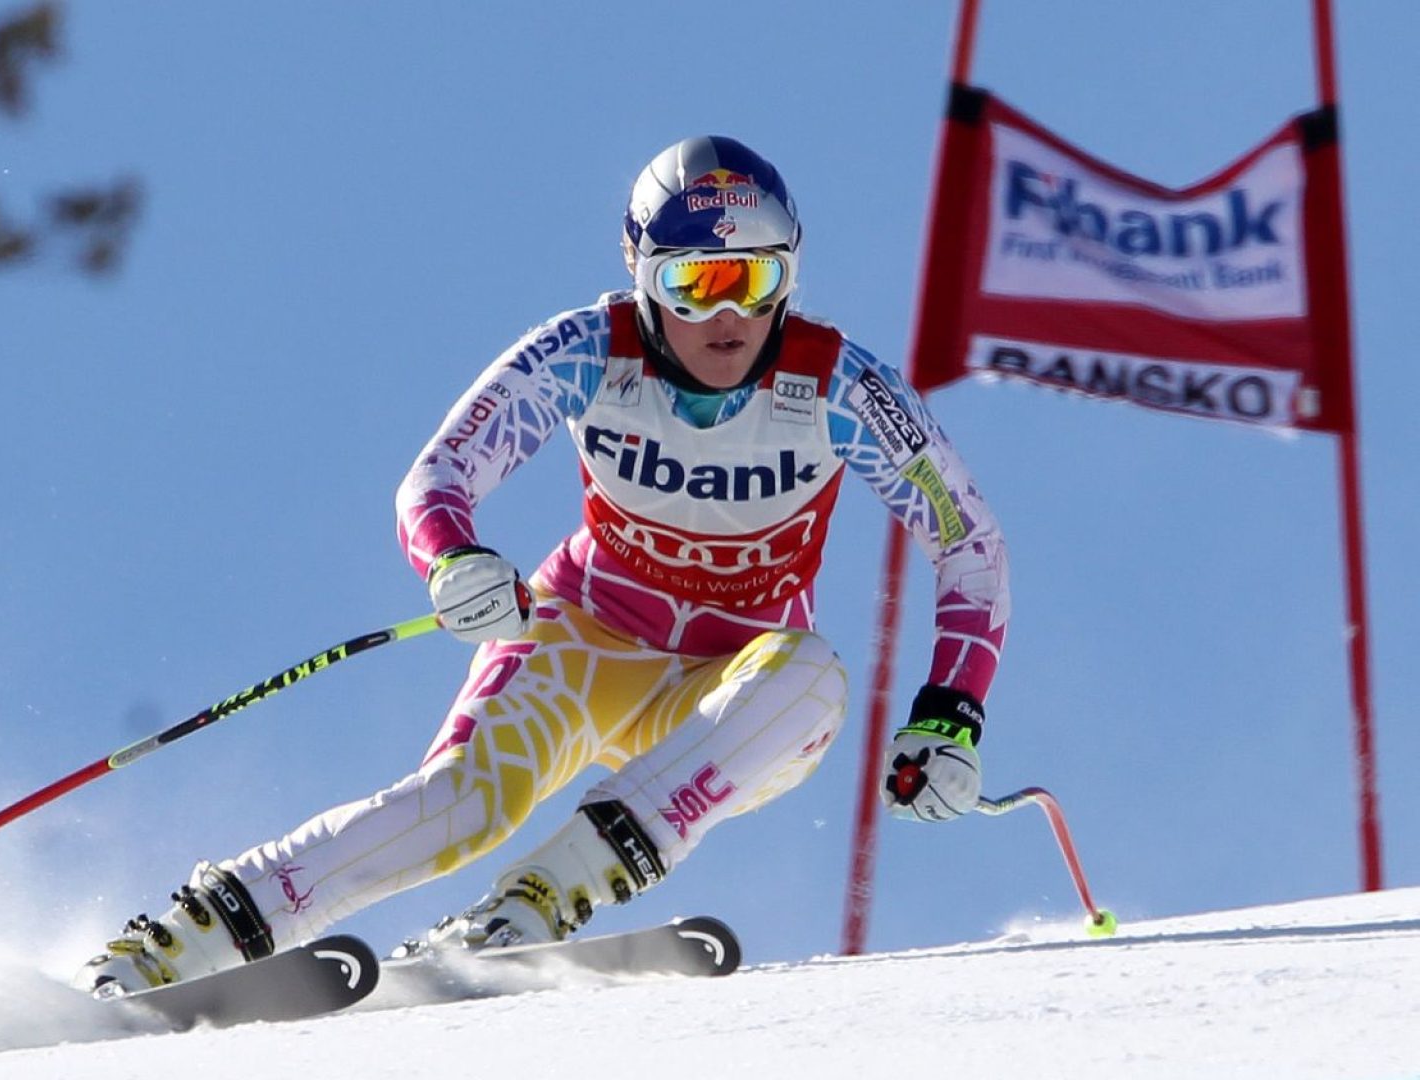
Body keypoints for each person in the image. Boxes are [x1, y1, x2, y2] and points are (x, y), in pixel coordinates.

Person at [80, 135, 1009, 992]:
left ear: (790, 277)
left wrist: (952, 717)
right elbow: (439, 475)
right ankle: (185, 942)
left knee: (811, 683)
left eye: (755, 280)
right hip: (583, 638)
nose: (728, 313)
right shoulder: (587, 352)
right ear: (643, 278)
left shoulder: (842, 385)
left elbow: (968, 544)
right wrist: (453, 561)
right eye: (694, 281)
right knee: (459, 807)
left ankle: (528, 908)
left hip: (730, 686)